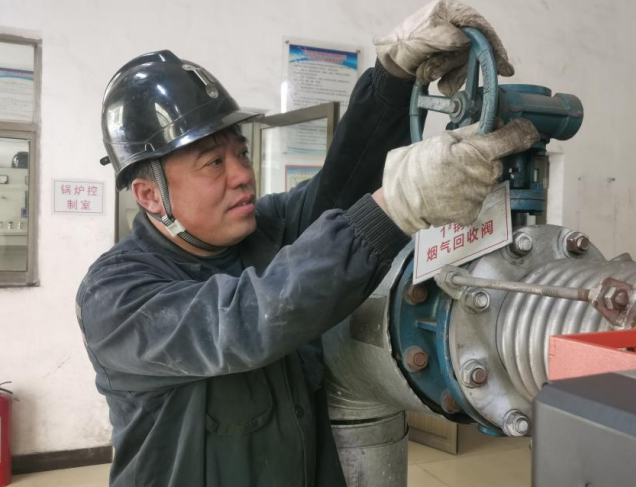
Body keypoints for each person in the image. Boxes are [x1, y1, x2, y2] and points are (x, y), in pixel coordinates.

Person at [76, 1, 539, 485]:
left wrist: (392, 78)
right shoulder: (115, 296)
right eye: (213, 163)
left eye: (241, 153)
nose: (242, 175)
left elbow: (338, 187)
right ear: (150, 195)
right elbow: (242, 320)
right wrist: (396, 206)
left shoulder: (264, 229)